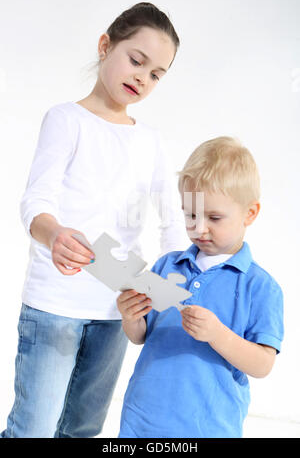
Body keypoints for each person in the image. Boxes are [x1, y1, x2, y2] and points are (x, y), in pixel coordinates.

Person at [1, 2, 188, 438]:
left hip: (118, 309)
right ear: (106, 46)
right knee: (33, 428)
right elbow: (35, 202)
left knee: (83, 428)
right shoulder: (66, 120)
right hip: (54, 306)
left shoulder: (151, 142)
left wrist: (179, 278)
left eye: (157, 74)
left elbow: (170, 221)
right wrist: (55, 234)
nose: (143, 77)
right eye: (136, 60)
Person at [117, 136, 284, 438]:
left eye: (214, 217)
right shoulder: (167, 266)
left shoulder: (260, 287)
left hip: (209, 428)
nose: (199, 227)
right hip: (141, 420)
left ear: (250, 213)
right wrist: (131, 317)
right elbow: (141, 336)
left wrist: (217, 335)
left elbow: (262, 365)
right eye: (191, 214)